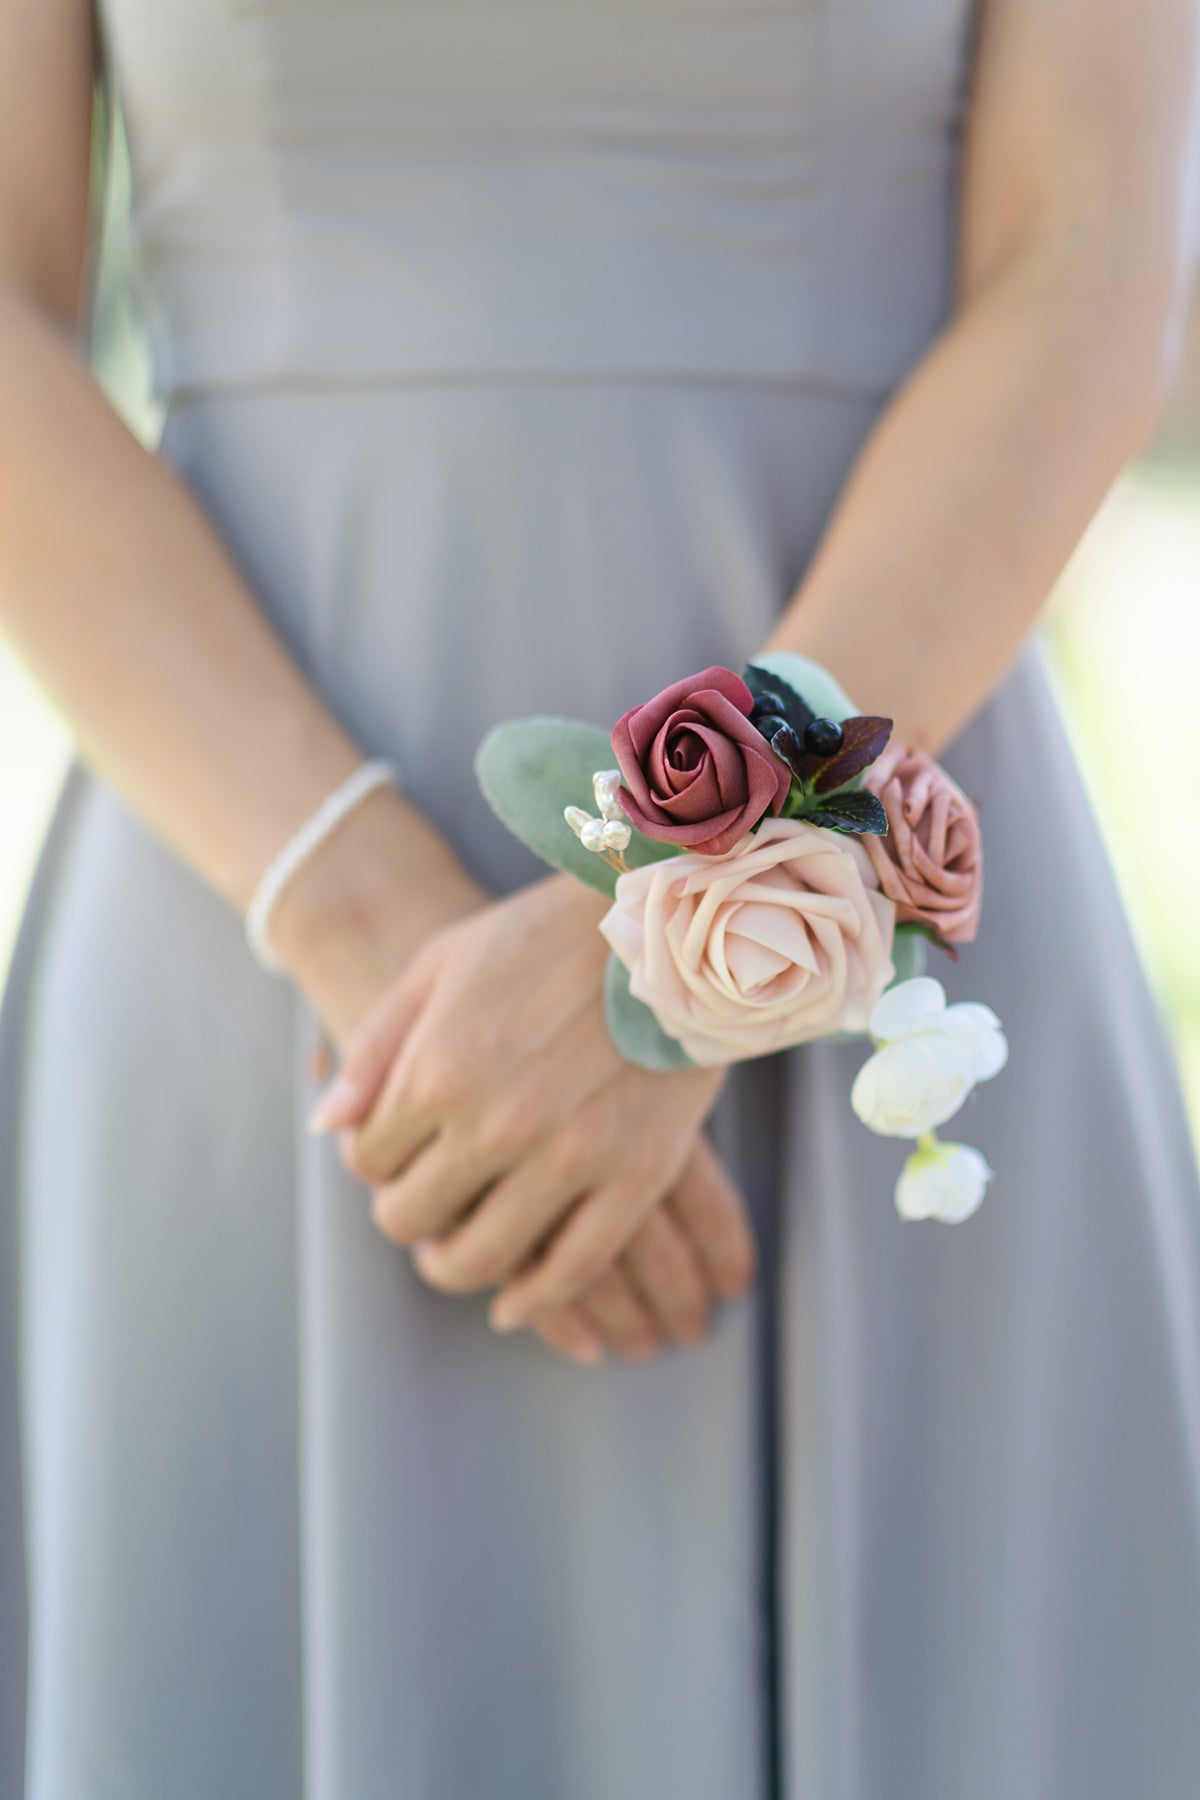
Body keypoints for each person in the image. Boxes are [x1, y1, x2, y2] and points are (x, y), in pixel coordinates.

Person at [2, 0, 1199, 1795]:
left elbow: (1091, 251)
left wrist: (699, 902)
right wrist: (358, 908)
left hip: (884, 897)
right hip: (244, 923)